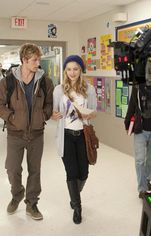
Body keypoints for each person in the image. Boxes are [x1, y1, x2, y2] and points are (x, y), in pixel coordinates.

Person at [0, 43, 54, 220]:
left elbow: (49, 104)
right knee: (12, 168)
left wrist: (43, 115)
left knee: (35, 170)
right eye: (34, 60)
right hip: (15, 134)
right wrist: (11, 117)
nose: (37, 63)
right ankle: (17, 193)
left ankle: (32, 203)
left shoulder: (45, 81)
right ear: (24, 60)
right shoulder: (8, 81)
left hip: (36, 134)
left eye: (38, 59)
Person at [52, 55, 97, 224]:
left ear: (81, 71)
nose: (72, 72)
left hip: (82, 137)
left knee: (83, 173)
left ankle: (74, 195)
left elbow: (94, 112)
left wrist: (87, 112)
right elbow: (54, 113)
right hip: (66, 136)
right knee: (71, 172)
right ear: (65, 70)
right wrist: (54, 115)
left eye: (75, 69)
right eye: (69, 69)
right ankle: (77, 207)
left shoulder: (89, 89)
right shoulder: (58, 90)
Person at [124, 83, 151, 199]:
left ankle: (146, 179)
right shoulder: (137, 87)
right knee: (140, 160)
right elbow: (132, 105)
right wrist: (127, 124)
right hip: (140, 129)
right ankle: (142, 188)